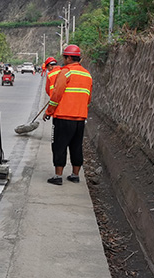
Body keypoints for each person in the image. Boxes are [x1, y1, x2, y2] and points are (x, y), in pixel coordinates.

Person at [43, 45, 93, 185]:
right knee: (76, 146)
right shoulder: (87, 74)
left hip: (63, 117)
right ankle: (75, 175)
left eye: (64, 57)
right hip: (80, 118)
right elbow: (88, 98)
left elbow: (56, 94)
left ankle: (58, 176)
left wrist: (49, 111)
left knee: (59, 146)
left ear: (69, 57)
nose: (63, 60)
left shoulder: (66, 72)